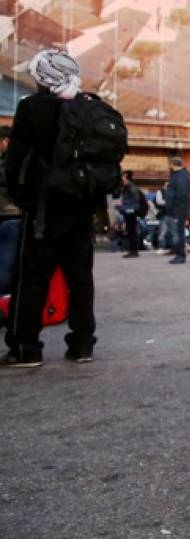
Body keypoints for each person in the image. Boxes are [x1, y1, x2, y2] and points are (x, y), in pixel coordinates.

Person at [2, 49, 105, 367]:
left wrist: (23, 198)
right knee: (80, 279)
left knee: (32, 278)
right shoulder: (91, 107)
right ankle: (82, 344)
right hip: (81, 208)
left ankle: (25, 347)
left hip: (43, 211)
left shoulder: (31, 108)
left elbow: (16, 159)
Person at [0, 126, 23, 295]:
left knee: (6, 263)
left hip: (10, 216)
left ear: (6, 141)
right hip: (13, 215)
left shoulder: (11, 162)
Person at [166, 157, 190, 264]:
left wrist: (179, 209)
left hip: (179, 209)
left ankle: (181, 255)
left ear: (172, 164)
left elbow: (182, 193)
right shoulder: (177, 175)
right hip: (176, 208)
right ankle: (178, 253)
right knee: (177, 232)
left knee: (179, 232)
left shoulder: (181, 176)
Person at [119, 171, 145, 257]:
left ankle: (133, 251)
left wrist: (122, 203)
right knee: (131, 231)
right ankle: (132, 251)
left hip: (131, 211)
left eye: (123, 177)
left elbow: (135, 200)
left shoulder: (131, 187)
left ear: (126, 177)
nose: (121, 179)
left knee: (132, 231)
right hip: (129, 211)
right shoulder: (126, 187)